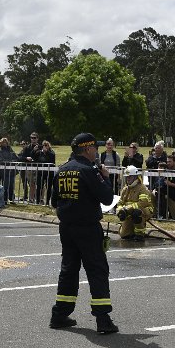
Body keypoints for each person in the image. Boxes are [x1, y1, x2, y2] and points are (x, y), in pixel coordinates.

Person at [49, 132, 117, 334]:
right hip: (87, 228)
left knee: (68, 270)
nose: (97, 151)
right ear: (87, 149)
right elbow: (106, 198)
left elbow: (54, 201)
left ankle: (59, 314)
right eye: (95, 148)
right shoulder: (89, 170)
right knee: (97, 270)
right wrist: (105, 178)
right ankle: (103, 319)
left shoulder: (62, 171)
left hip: (67, 228)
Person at [116, 165, 153, 240]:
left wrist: (127, 208)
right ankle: (130, 230)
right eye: (127, 177)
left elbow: (143, 203)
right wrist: (120, 211)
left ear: (136, 177)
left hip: (144, 210)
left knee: (137, 213)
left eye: (130, 177)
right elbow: (120, 203)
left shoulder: (142, 188)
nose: (128, 179)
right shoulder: (125, 189)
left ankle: (140, 234)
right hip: (128, 212)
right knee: (124, 235)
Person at [0, 137, 19, 202]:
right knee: (5, 186)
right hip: (4, 171)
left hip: (12, 171)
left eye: (6, 142)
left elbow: (16, 157)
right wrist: (10, 162)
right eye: (3, 142)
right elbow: (0, 160)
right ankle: (5, 199)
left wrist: (12, 161)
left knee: (11, 185)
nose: (5, 143)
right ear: (1, 143)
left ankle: (11, 199)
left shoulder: (10, 149)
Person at [34, 140, 56, 205]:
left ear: (49, 146)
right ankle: (37, 201)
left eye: (46, 145)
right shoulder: (39, 153)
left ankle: (47, 202)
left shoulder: (51, 152)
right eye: (43, 145)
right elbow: (33, 157)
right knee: (39, 186)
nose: (44, 147)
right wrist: (34, 150)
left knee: (48, 187)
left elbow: (52, 159)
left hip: (49, 173)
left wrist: (47, 152)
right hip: (40, 172)